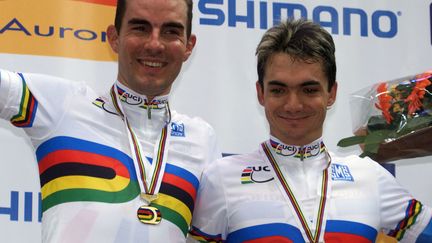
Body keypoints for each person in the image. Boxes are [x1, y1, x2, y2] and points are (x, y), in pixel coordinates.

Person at [188, 19, 432, 243]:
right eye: (278, 90)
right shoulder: (221, 179)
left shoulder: (370, 177)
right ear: (261, 93)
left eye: (309, 90)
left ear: (331, 93)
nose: (293, 104)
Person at [0, 0, 220, 242]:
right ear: (114, 37)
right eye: (140, 28)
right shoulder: (63, 105)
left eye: (171, 31)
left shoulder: (202, 140)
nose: (155, 44)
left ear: (189, 46)